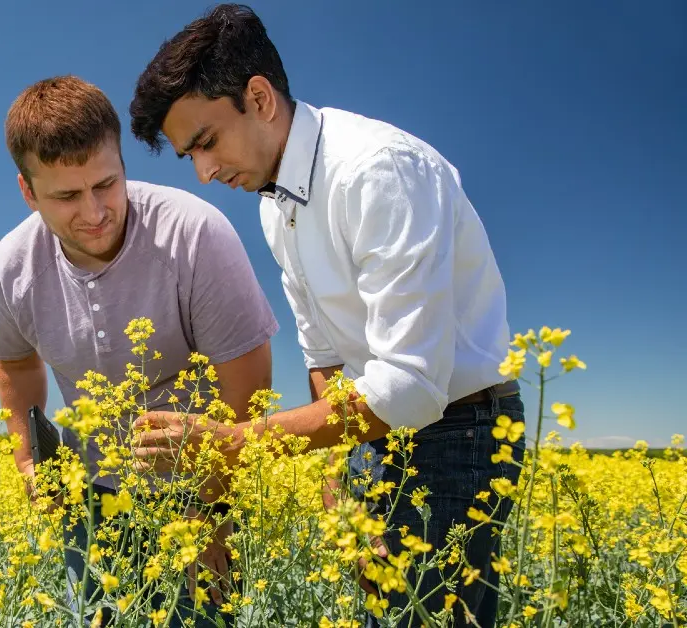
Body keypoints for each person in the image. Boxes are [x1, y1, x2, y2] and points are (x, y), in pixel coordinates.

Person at [125, 4, 524, 627]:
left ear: (258, 97)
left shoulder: (376, 170)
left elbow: (411, 385)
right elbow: (326, 356)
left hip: (457, 428)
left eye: (206, 142)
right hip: (371, 434)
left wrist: (233, 444)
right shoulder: (273, 203)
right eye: (189, 157)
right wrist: (344, 480)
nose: (204, 172)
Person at [0, 74, 280, 627]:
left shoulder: (195, 233)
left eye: (107, 184)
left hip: (198, 486)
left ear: (123, 163)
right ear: (28, 191)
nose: (94, 212)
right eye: (67, 196)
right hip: (91, 495)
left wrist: (210, 508)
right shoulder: (9, 269)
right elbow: (16, 362)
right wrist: (29, 464)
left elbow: (247, 384)